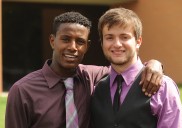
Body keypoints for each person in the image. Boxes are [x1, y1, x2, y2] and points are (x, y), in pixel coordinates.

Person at [5, 11, 163, 128]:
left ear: (86, 46)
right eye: (66, 39)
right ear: (53, 41)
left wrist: (154, 64)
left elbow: (126, 69)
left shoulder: (91, 76)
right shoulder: (22, 91)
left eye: (80, 42)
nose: (73, 47)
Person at [91, 7, 182, 128]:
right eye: (109, 37)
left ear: (138, 41)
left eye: (124, 37)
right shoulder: (97, 88)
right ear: (102, 42)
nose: (117, 44)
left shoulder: (163, 87)